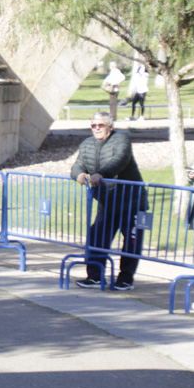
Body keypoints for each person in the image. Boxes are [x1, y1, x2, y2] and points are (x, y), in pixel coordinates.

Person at [70, 111, 146, 291]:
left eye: (101, 125)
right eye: (93, 125)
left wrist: (101, 174)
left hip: (133, 201)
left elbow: (118, 161)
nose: (97, 129)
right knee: (96, 237)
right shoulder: (87, 144)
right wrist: (79, 174)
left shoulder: (122, 140)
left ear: (110, 127)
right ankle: (95, 276)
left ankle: (125, 279)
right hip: (108, 202)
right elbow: (78, 165)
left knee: (131, 241)